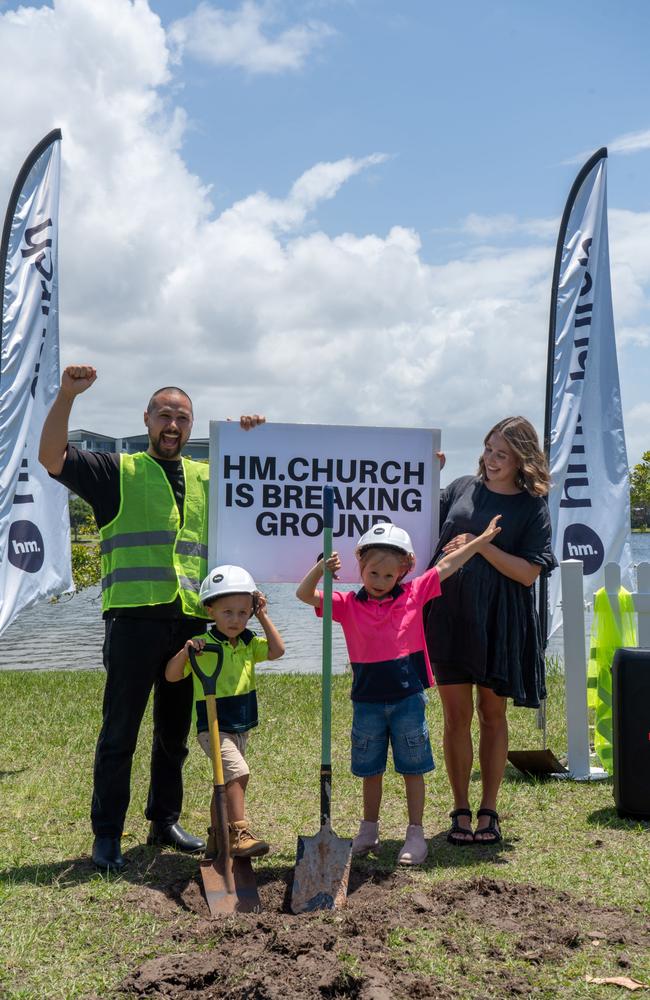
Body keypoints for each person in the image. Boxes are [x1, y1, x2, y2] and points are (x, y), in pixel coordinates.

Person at [38, 364, 264, 872]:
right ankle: (107, 835)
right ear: (147, 419)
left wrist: (250, 435)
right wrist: (67, 397)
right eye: (164, 414)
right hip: (133, 622)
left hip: (189, 625)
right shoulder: (118, 470)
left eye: (182, 418)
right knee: (120, 731)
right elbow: (51, 456)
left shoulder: (208, 476)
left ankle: (163, 819)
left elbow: (262, 489)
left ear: (191, 427)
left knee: (173, 734)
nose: (173, 425)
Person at [296, 517, 501, 866]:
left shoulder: (413, 594)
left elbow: (448, 564)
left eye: (388, 576)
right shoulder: (347, 604)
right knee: (370, 770)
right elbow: (304, 594)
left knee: (413, 768)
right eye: (373, 573)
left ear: (404, 571)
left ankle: (415, 833)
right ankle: (369, 829)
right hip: (366, 703)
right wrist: (321, 567)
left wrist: (480, 541)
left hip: (409, 701)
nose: (379, 582)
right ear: (360, 567)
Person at [424, 416, 556, 846]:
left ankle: (489, 812)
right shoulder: (461, 487)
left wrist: (481, 544)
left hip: (501, 623)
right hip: (448, 616)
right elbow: (417, 518)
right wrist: (429, 474)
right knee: (455, 717)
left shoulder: (532, 505)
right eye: (488, 449)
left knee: (492, 716)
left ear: (522, 459)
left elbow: (527, 574)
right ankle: (460, 810)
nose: (491, 459)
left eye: (502, 453)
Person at [165, 564, 284, 857]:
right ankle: (239, 831)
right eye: (227, 612)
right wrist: (186, 651)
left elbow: (277, 651)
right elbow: (171, 675)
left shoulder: (247, 643)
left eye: (243, 612)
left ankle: (217, 838)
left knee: (225, 780)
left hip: (241, 725)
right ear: (210, 611)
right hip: (213, 727)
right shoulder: (204, 646)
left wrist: (263, 616)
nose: (235, 619)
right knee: (239, 773)